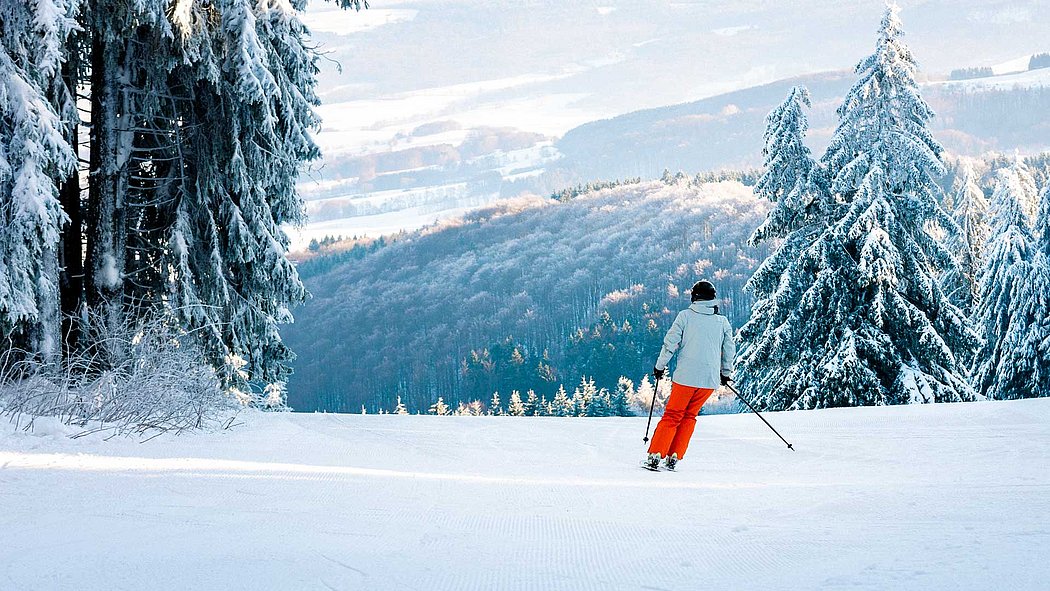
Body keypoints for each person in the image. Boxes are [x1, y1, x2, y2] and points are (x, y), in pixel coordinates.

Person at [643, 280, 735, 471]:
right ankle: (674, 455)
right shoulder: (722, 322)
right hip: (709, 380)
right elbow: (729, 350)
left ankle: (656, 454)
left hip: (686, 377)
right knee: (689, 416)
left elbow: (670, 343)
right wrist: (725, 373)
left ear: (694, 297)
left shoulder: (685, 316)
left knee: (673, 415)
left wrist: (660, 366)